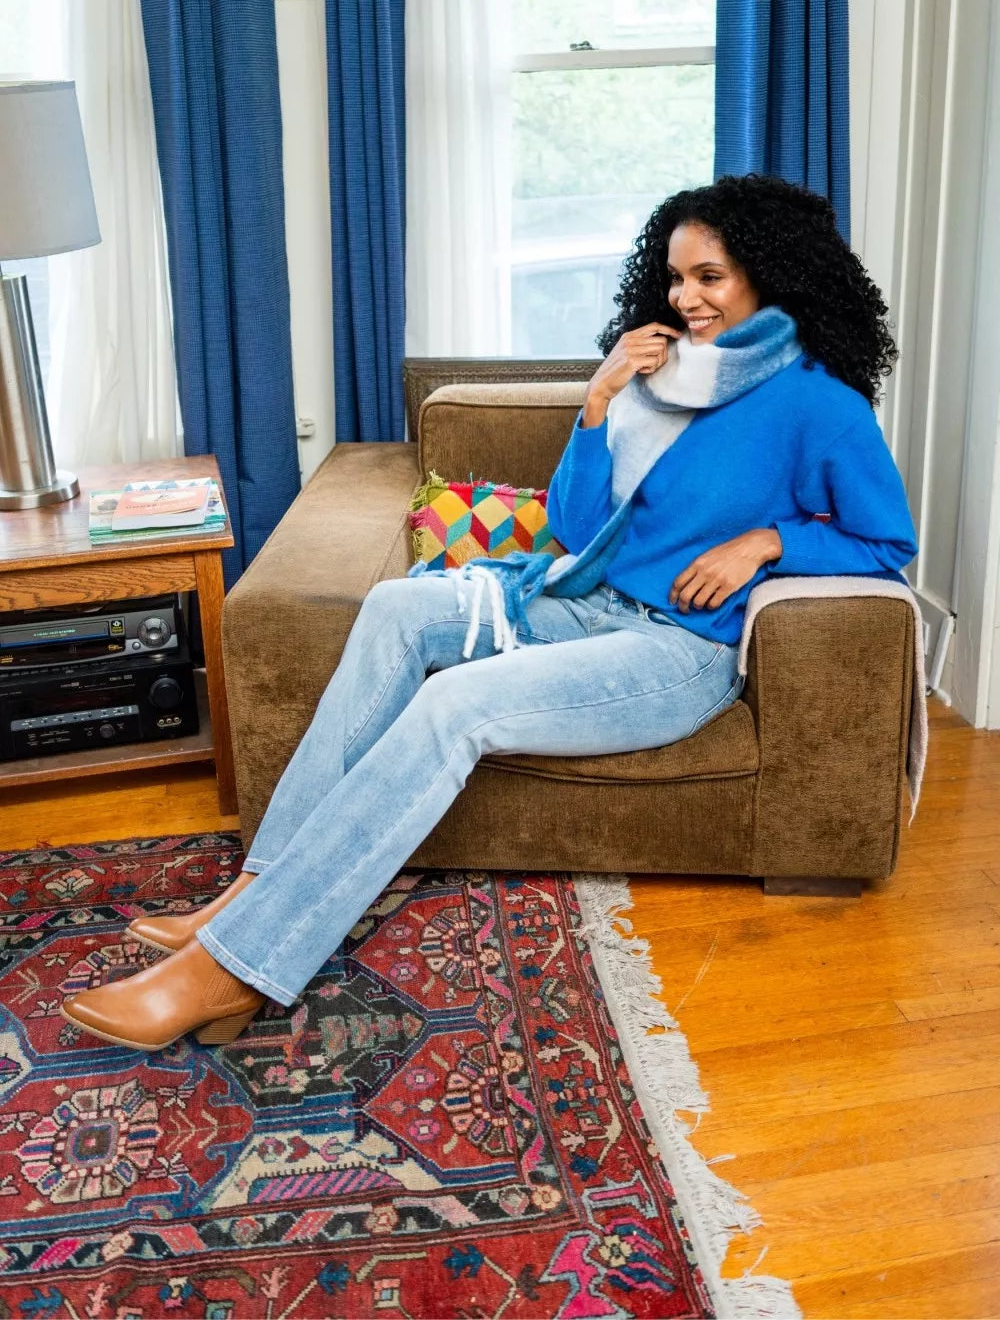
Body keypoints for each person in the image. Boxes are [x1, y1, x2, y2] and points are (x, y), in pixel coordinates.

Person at [61, 173, 919, 1052]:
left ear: (772, 274)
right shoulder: (664, 380)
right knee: (398, 608)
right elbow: (581, 527)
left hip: (676, 651)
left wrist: (768, 542)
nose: (684, 298)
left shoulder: (820, 405)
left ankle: (229, 969)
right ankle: (259, 891)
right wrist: (598, 401)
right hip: (588, 603)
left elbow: (889, 541)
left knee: (456, 703)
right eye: (675, 276)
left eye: (711, 277)